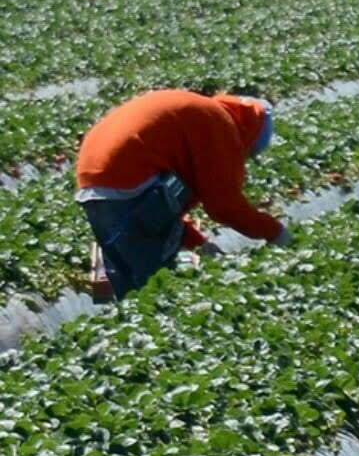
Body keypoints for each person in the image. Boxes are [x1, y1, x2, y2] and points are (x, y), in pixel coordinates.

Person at [76, 89, 292, 299]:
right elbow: (224, 206)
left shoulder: (199, 111)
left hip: (93, 182)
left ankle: (121, 304)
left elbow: (172, 202)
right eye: (249, 153)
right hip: (128, 180)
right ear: (249, 136)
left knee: (131, 278)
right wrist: (276, 233)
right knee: (153, 281)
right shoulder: (220, 125)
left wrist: (198, 243)